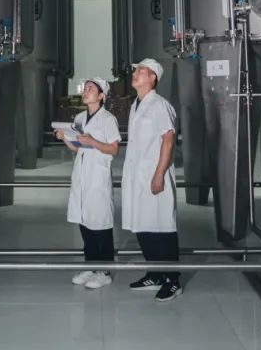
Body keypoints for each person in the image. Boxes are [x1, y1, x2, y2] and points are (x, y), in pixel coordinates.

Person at [121, 58, 182, 301]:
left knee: (161, 227)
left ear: (153, 77)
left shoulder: (159, 105)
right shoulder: (136, 105)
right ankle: (155, 274)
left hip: (154, 174)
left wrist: (159, 174)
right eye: (135, 70)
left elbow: (168, 140)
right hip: (137, 176)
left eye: (141, 71)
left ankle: (172, 280)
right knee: (143, 224)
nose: (135, 74)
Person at [57, 76, 121, 289]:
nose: (85, 91)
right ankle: (90, 265)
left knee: (100, 223)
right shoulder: (79, 118)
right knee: (84, 220)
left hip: (98, 176)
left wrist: (92, 141)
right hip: (82, 175)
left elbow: (113, 149)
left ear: (101, 96)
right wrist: (65, 137)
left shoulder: (108, 119)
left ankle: (104, 271)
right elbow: (77, 147)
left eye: (90, 89)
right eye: (85, 88)